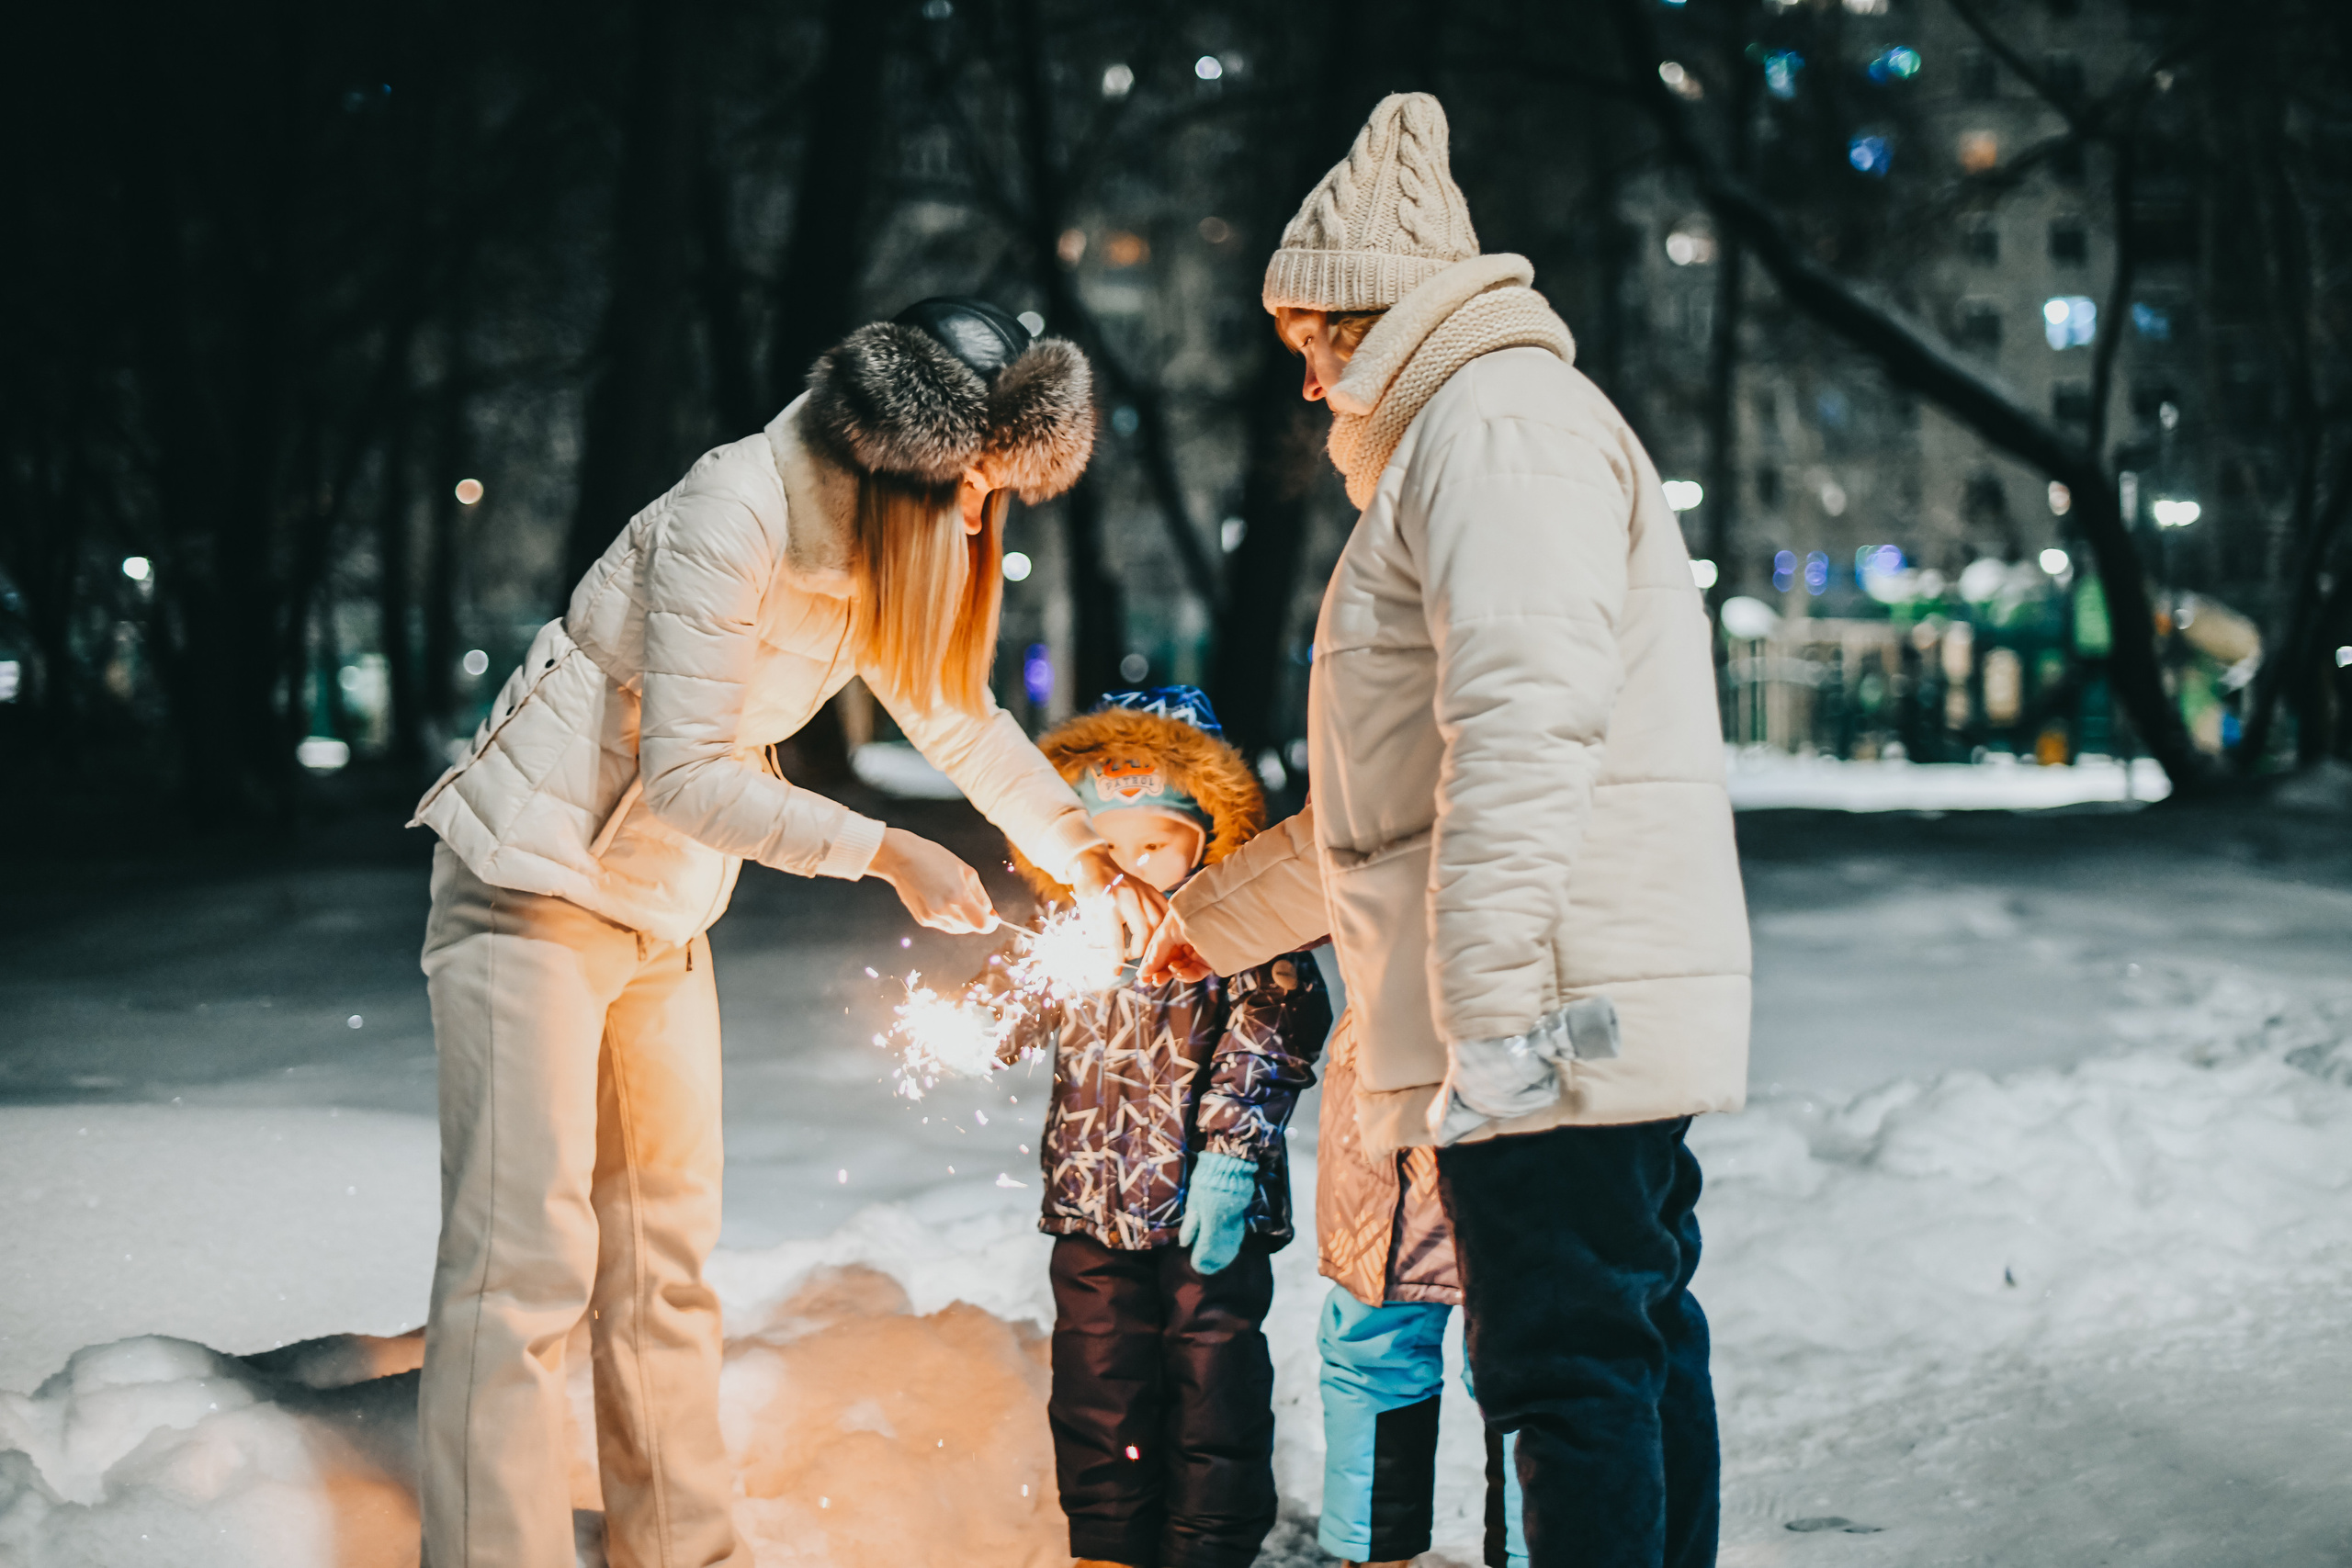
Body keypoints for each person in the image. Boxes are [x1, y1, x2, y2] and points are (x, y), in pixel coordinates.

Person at [407, 297, 1167, 1568]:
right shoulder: (736, 509)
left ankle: (686, 1549)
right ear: (903, 462)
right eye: (973, 487)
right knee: (523, 1266)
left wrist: (1081, 855)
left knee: (663, 1261)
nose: (982, 518)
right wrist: (887, 849)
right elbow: (691, 772)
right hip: (528, 889)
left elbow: (958, 713)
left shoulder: (870, 553)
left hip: (661, 914)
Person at [1141, 94, 1752, 1568]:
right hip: (1558, 998)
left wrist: (1488, 1023)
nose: (1306, 385)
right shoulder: (1476, 437)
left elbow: (1522, 731)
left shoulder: (1494, 430)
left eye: (1310, 344)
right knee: (1627, 1335)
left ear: (1370, 316)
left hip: (1546, 1014)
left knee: (1569, 1366)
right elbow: (1389, 811)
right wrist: (1206, 916)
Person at [987, 686, 1330, 1568]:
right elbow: (1003, 1017)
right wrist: (996, 1003)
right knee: (1097, 1379)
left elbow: (1274, 1042)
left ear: (1208, 834)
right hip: (1090, 1209)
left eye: (1156, 844)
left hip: (1207, 1213)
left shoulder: (1246, 935)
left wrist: (1230, 1155)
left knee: (1213, 1377)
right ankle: (1107, 1540)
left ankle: (1208, 1541)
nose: (1133, 867)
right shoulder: (1068, 929)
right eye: (1110, 850)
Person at [1314, 1006, 1525, 1568]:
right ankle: (1373, 1552)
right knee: (1374, 1339)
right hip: (1390, 1110)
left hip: (1519, 1082)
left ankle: (1536, 1552)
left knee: (1533, 1358)